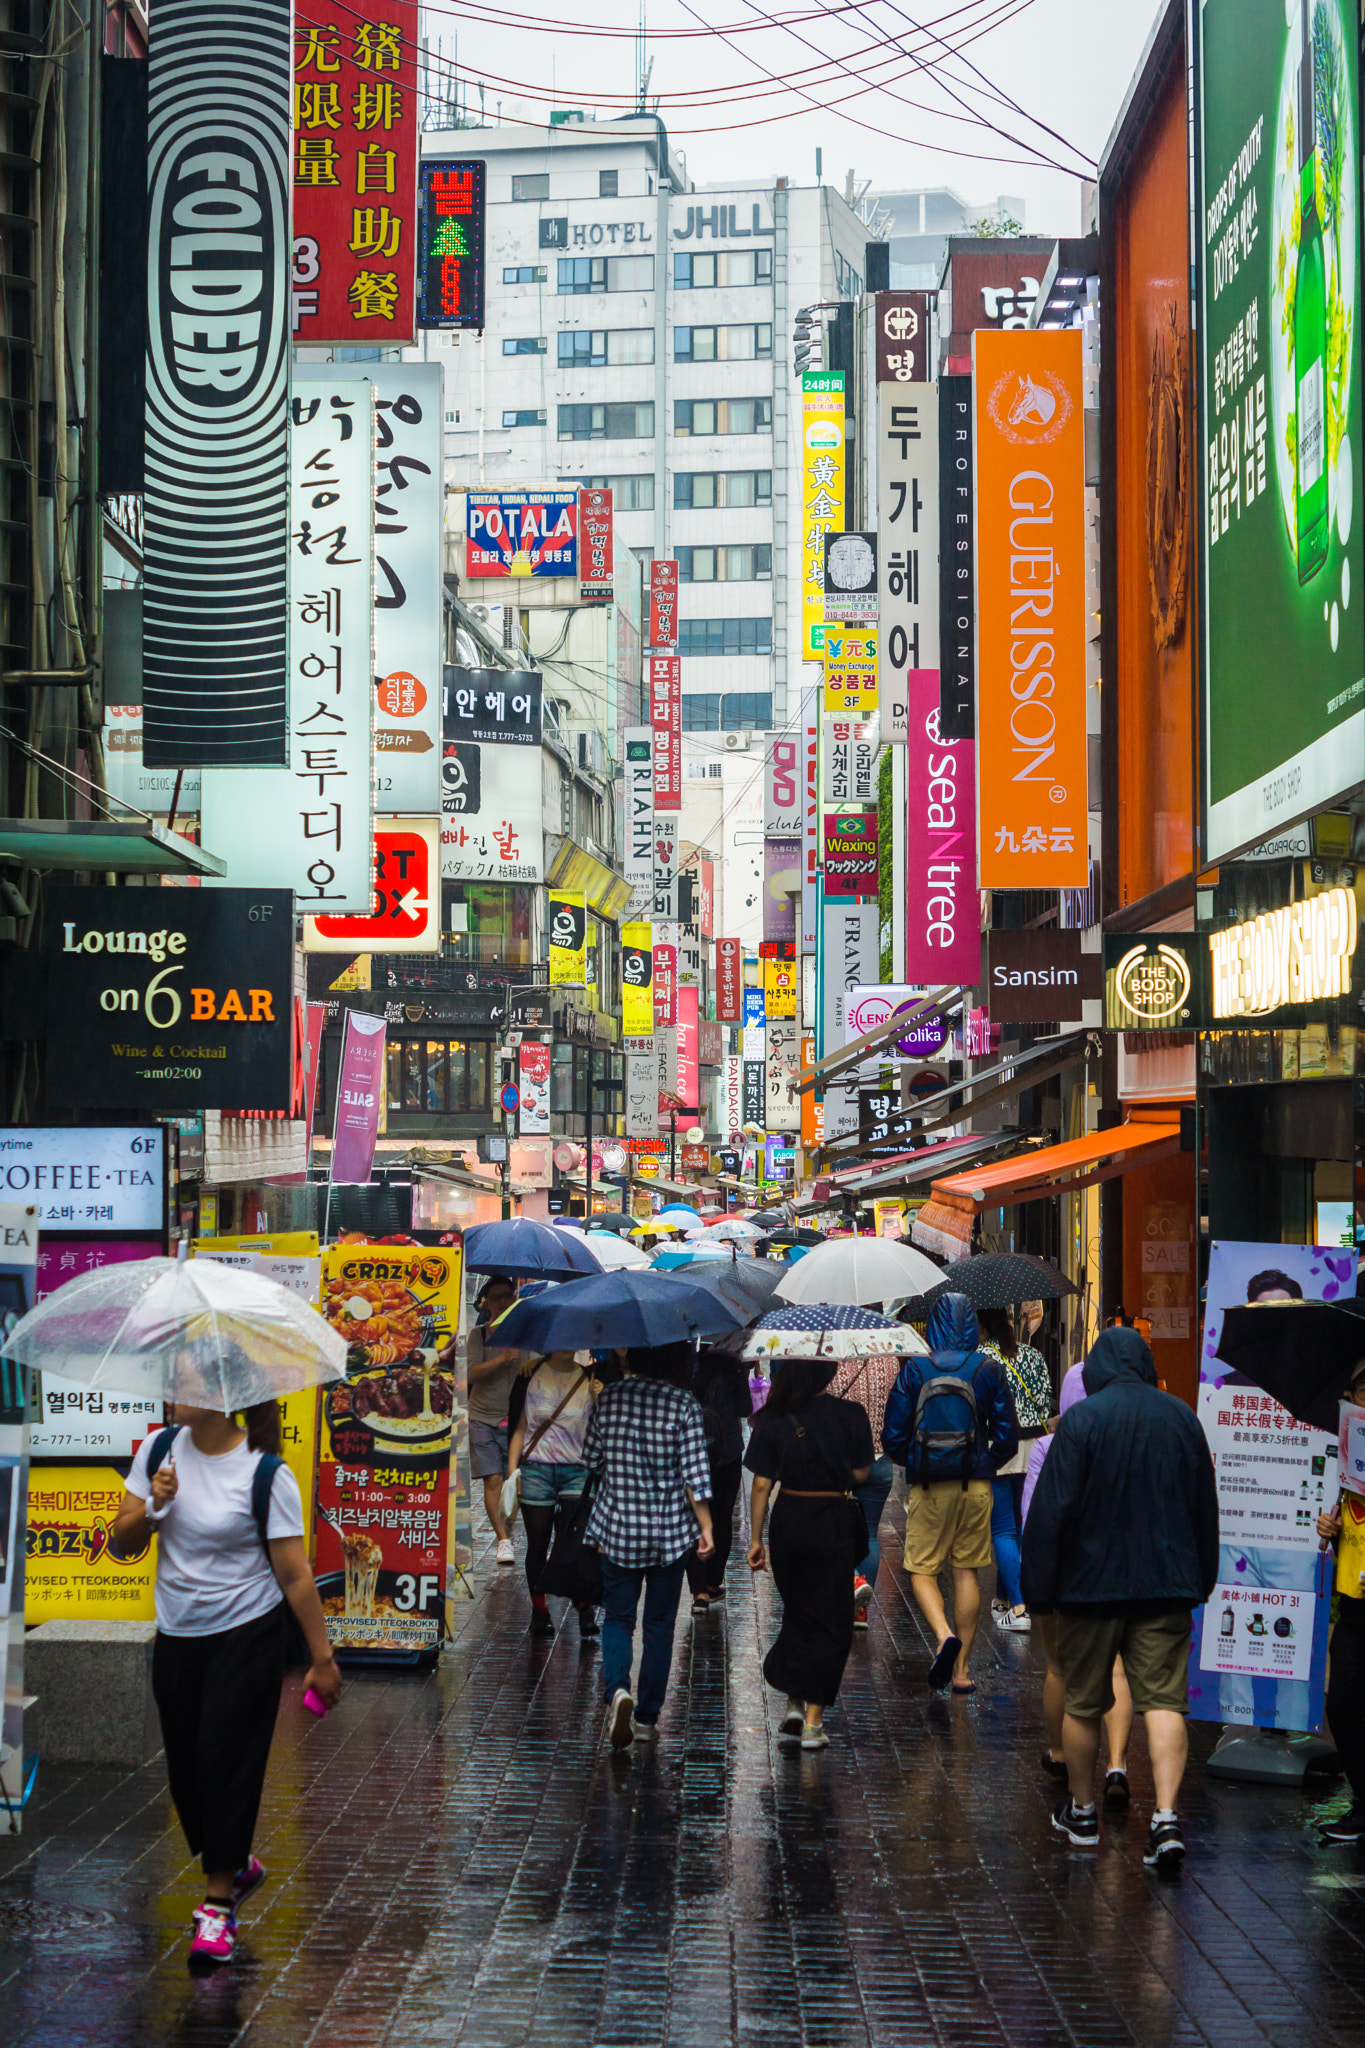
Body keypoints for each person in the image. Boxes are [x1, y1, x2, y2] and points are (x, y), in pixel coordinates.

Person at [111, 1392, 342, 1974]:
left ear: (224, 1396)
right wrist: (153, 1508)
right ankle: (236, 1864)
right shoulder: (160, 1452)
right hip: (178, 1635)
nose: (173, 1393)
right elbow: (121, 1543)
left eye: (186, 1381)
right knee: (187, 1772)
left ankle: (217, 1906)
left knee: (226, 1761)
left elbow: (294, 1573)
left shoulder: (266, 1472)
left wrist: (322, 1657)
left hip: (247, 1635)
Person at [1021, 1326, 1218, 1868]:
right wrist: (1203, 1576)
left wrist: (1039, 1590)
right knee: (1164, 1702)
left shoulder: (1080, 1422)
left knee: (1084, 1704)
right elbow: (1205, 1506)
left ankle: (1083, 1813)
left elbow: (1050, 1516)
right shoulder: (1182, 1419)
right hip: (1167, 1586)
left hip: (1090, 1590)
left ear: (1096, 1371)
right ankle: (1167, 1818)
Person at [882, 1294, 1018, 1694]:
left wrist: (918, 1461)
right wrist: (983, 1464)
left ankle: (943, 1636)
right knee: (967, 1571)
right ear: (972, 1324)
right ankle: (961, 1673)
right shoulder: (987, 1368)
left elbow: (892, 1436)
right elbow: (1006, 1436)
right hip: (975, 1486)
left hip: (929, 1487)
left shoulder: (916, 1369)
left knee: (921, 1570)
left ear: (935, 1324)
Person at [583, 1342, 714, 1747]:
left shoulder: (608, 1398)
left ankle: (618, 1690)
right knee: (659, 1625)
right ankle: (647, 1716)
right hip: (669, 1533)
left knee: (619, 1618)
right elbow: (695, 1474)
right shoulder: (683, 1404)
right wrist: (706, 1526)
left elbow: (591, 1460)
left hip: (617, 1527)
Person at [745, 1357, 874, 1750]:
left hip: (789, 1521)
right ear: (829, 1373)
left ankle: (794, 1702)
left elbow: (762, 1485)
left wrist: (755, 1539)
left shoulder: (773, 1417)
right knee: (832, 1619)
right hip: (832, 1521)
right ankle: (813, 1724)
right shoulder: (851, 1413)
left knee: (798, 1610)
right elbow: (863, 1474)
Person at [1023, 1364, 1134, 1804]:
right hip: (1113, 1573)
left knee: (1059, 1667)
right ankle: (1119, 1763)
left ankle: (1060, 1754)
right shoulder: (1125, 1444)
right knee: (1117, 1669)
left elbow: (1032, 1517)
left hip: (1062, 1576)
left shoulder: (1048, 1447)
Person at [507, 1348, 599, 1640]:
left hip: (577, 1470)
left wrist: (599, 1397)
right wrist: (513, 1472)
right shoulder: (529, 1375)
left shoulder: (589, 1378)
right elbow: (520, 1427)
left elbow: (600, 1427)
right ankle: (539, 1611)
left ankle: (583, 1606)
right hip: (536, 1470)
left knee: (575, 1543)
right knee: (538, 1543)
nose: (565, 1344)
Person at [976, 1306, 1051, 1634]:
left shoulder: (979, 1358)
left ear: (981, 1325)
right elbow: (1046, 1402)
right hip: (1033, 1448)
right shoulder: (1034, 1356)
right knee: (1021, 1527)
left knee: (1003, 1530)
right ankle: (1003, 1600)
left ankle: (1020, 1608)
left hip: (998, 1447)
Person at [1315, 1359, 1365, 1842]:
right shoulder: (1350, 1455)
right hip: (1353, 1604)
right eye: (1361, 1388)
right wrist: (1330, 1528)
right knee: (1346, 1708)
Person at [829, 1350, 903, 1628]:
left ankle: (852, 1583)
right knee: (870, 1533)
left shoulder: (834, 1359)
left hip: (842, 1460)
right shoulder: (890, 1359)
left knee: (834, 1529)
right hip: (879, 1459)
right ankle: (860, 1612)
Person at [685, 1344, 753, 1614]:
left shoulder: (689, 1364)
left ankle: (699, 1590)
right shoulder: (733, 1365)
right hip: (727, 1451)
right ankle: (713, 1581)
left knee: (697, 1514)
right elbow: (745, 1408)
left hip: (694, 1449)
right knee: (723, 1517)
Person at [466, 1275, 527, 1566]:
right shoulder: (478, 1335)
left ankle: (507, 1527)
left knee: (513, 1483)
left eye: (508, 1295)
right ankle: (503, 1539)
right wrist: (502, 1359)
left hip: (518, 1421)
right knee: (492, 1479)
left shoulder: (527, 1334)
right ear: (486, 1302)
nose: (503, 1301)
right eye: (497, 1296)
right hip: (482, 1416)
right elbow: (471, 1374)